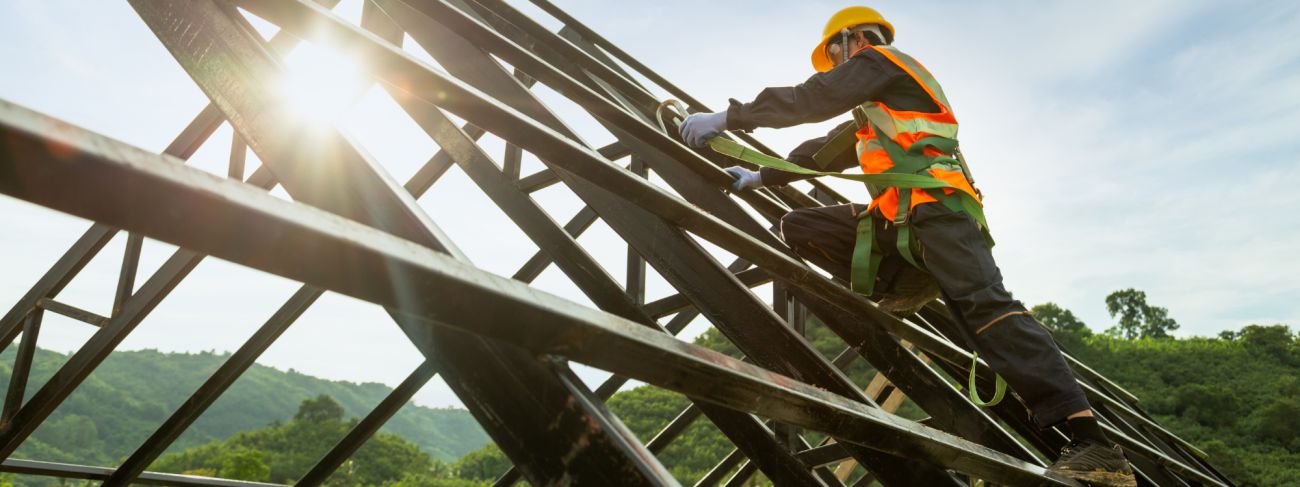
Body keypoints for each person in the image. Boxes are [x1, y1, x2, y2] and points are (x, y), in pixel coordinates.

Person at [678, 6, 1135, 486]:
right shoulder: (875, 107)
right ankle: (907, 278)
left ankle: (1095, 446)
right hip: (903, 224)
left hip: (941, 214)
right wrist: (756, 175)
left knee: (989, 312)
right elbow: (820, 153)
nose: (835, 66)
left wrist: (733, 115)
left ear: (852, 40)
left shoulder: (886, 63)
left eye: (834, 55)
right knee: (800, 226)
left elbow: (813, 97)